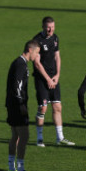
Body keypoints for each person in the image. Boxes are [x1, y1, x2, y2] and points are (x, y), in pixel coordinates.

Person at [32, 16, 74, 147]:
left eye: (53, 27)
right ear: (43, 27)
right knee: (43, 107)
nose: (50, 30)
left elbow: (57, 57)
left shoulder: (55, 38)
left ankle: (60, 137)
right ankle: (39, 138)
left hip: (53, 78)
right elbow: (37, 63)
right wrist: (48, 79)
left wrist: (57, 75)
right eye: (48, 27)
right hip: (42, 79)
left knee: (57, 107)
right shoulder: (37, 40)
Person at [5, 40, 40, 171]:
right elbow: (17, 87)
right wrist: (21, 105)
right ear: (30, 50)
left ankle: (10, 168)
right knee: (24, 137)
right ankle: (20, 170)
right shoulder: (21, 65)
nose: (37, 56)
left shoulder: (18, 63)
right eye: (36, 53)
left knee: (15, 136)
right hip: (17, 106)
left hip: (11, 104)